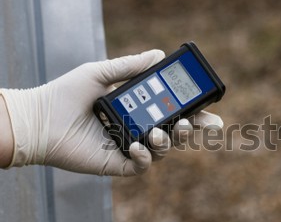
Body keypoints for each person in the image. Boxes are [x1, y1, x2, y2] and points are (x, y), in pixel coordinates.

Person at [0, 49, 222, 176]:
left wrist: (28, 130)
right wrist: (29, 118)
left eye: (184, 89)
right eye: (175, 78)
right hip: (105, 111)